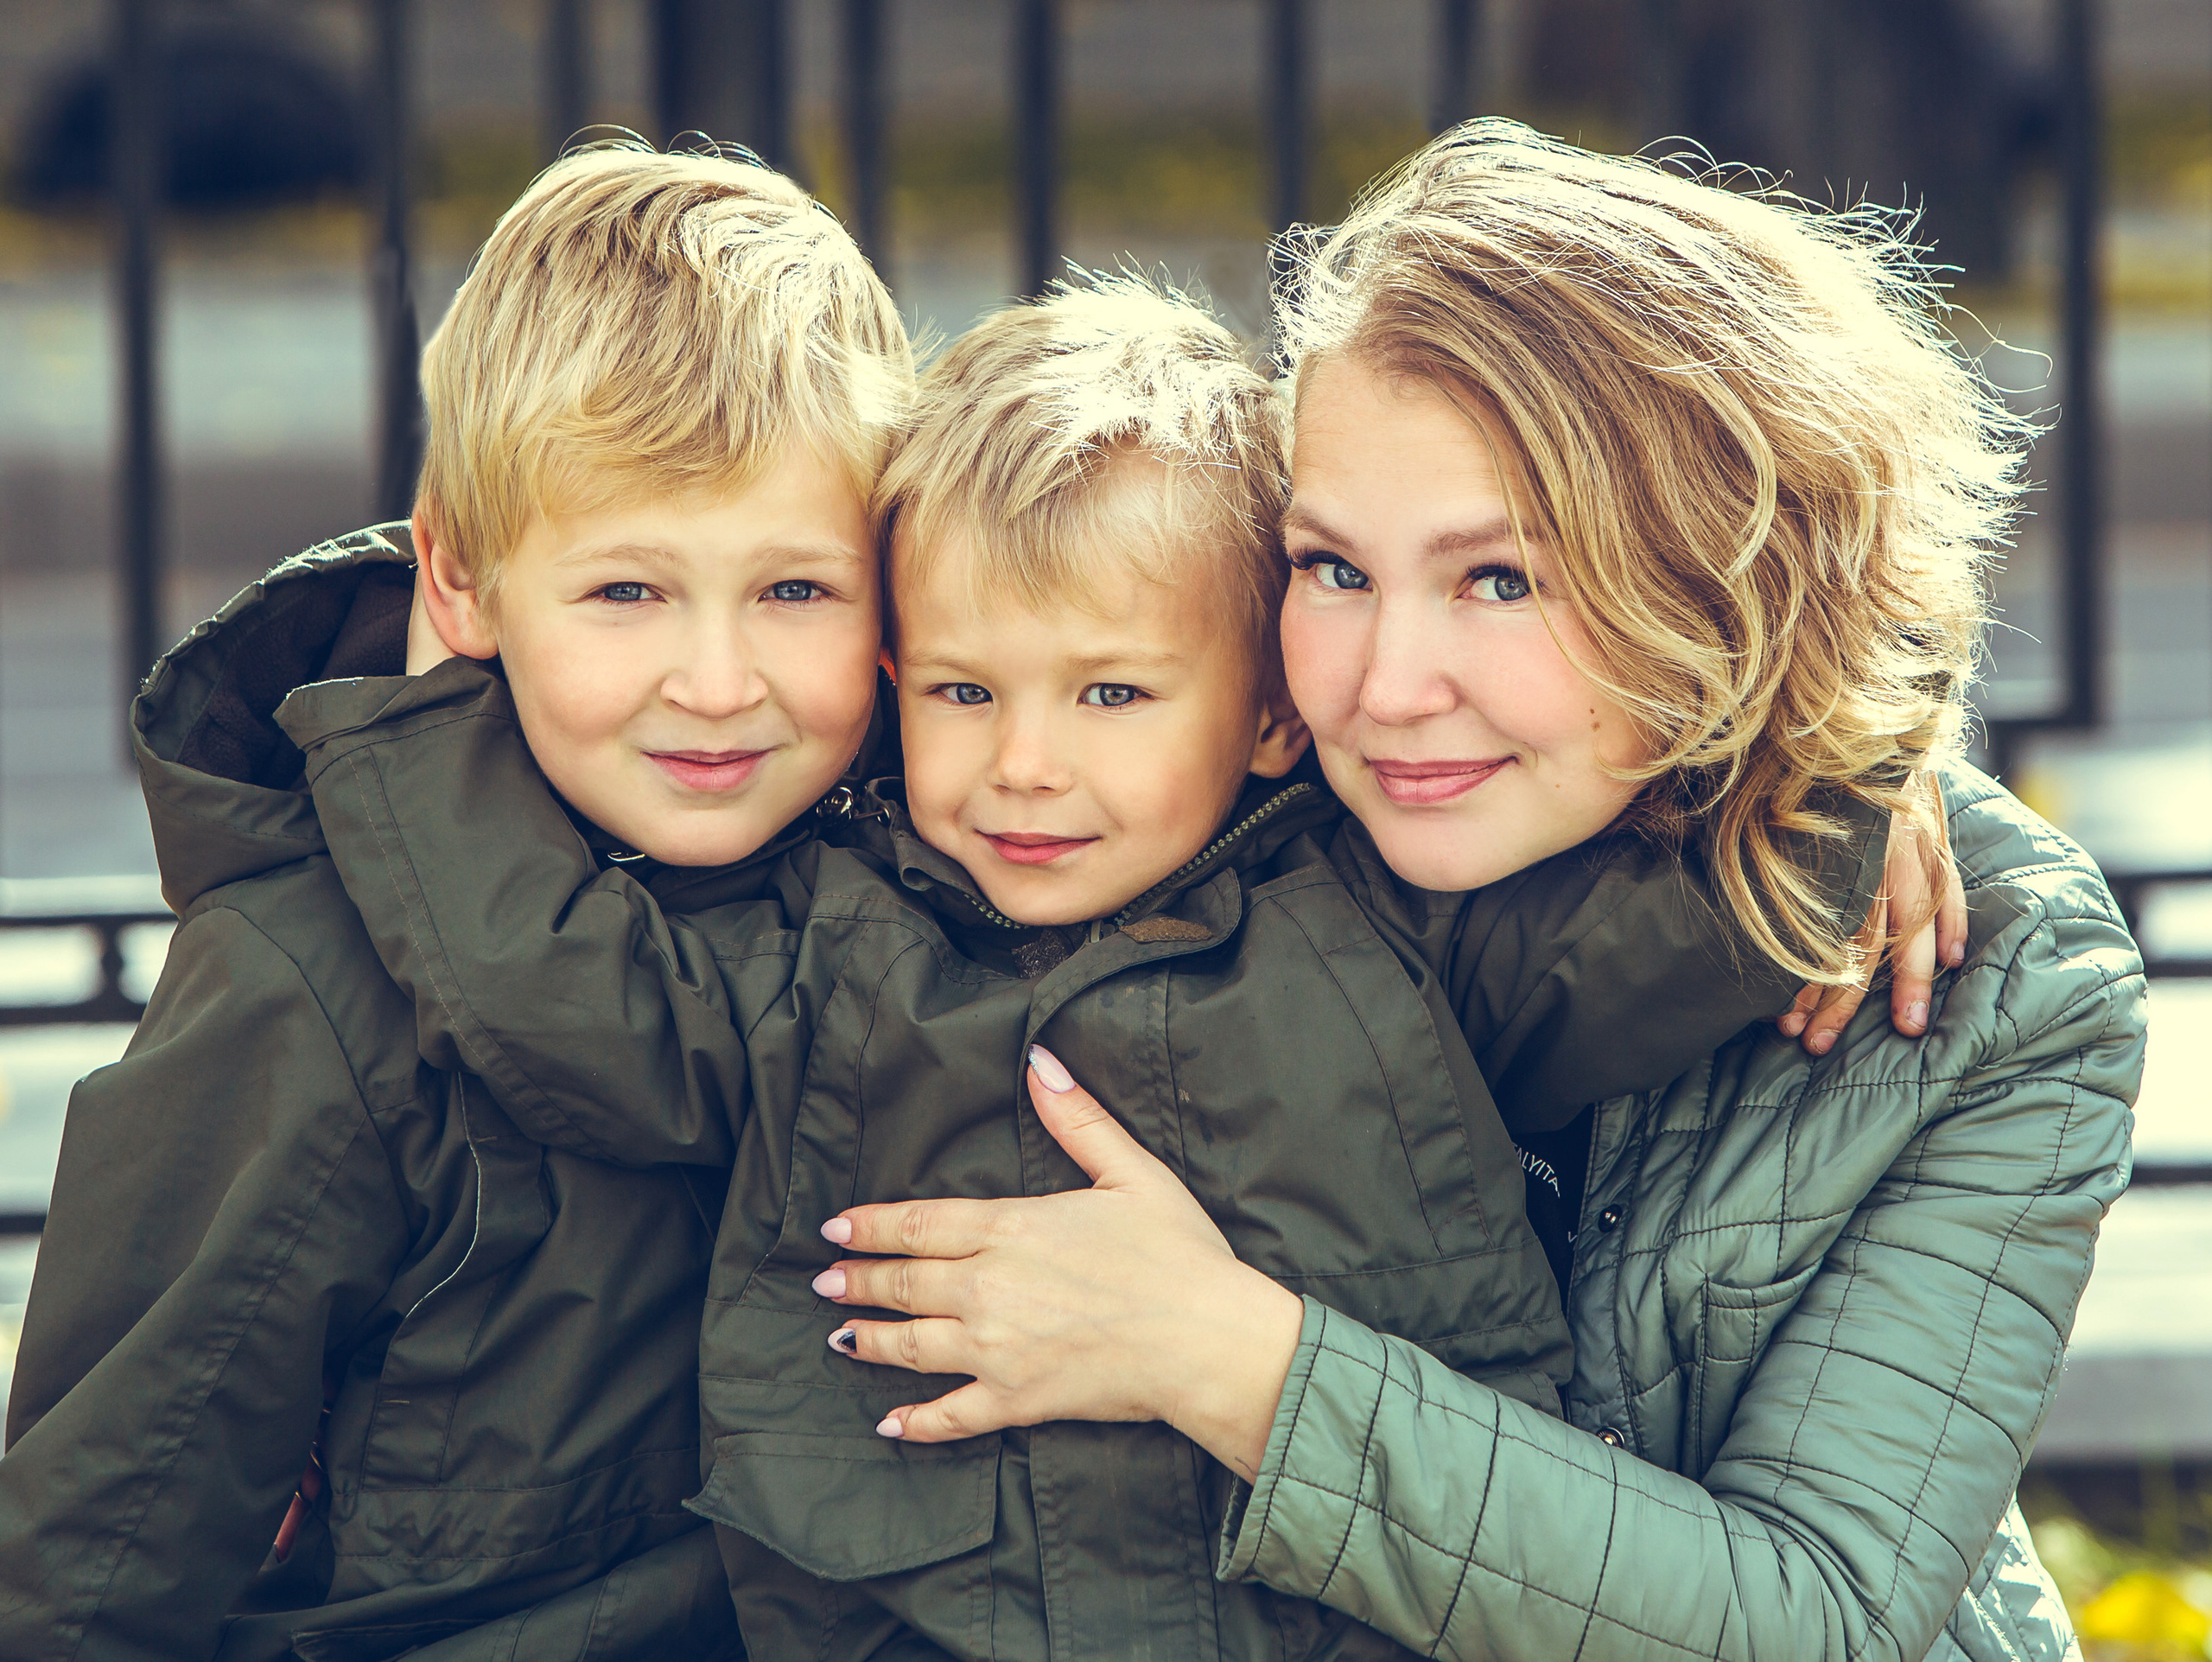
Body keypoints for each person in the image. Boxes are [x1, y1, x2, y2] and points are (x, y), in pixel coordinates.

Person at [294, 277, 1936, 1661]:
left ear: (1275, 712)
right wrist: (427, 709)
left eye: (1109, 697)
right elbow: (569, 1000)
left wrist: (1868, 765)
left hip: (1319, 1604)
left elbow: (1670, 935)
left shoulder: (1386, 923)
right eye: (961, 693)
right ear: (887, 684)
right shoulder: (840, 932)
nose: (1022, 767)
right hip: (921, 1603)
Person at [794, 124, 2149, 1661]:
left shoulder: (1999, 974)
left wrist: (1216, 1352)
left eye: (1499, 579)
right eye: (1332, 566)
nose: (1383, 686)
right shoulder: (1227, 791)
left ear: (1719, 570)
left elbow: (1820, 1621)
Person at [0, 141, 909, 1660]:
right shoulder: (310, 997)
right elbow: (95, 1565)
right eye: (627, 591)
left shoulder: (912, 902)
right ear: (463, 581)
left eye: (794, 590)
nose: (718, 680)